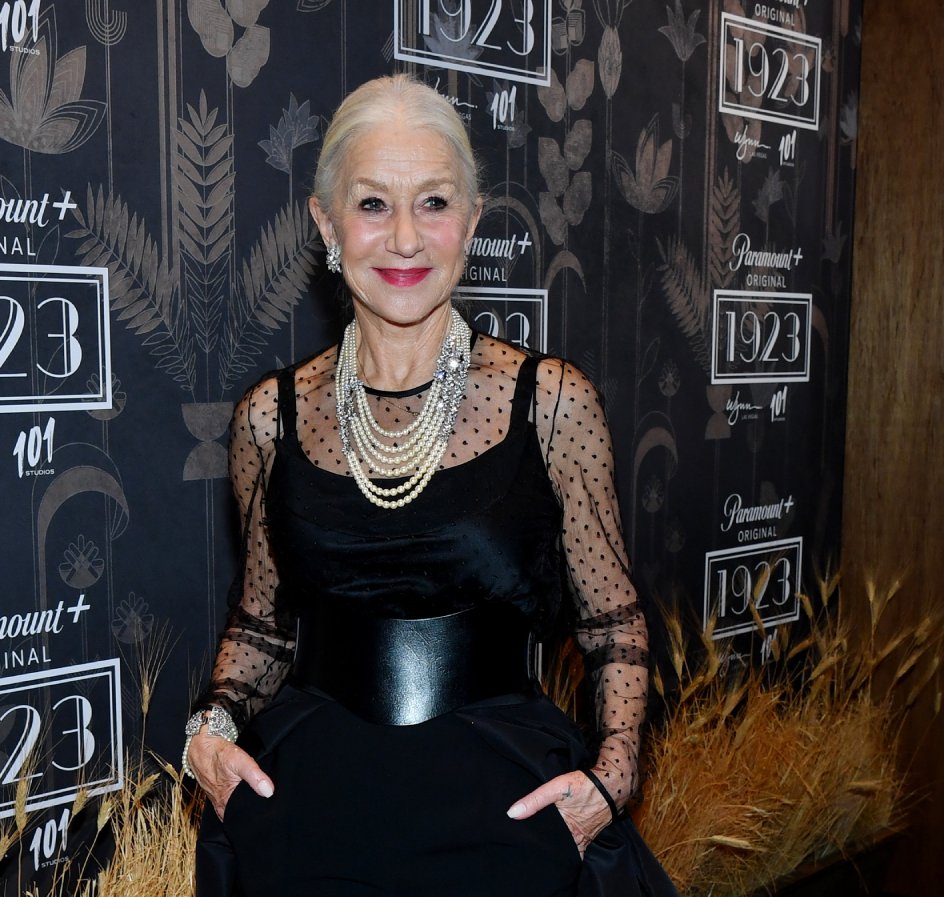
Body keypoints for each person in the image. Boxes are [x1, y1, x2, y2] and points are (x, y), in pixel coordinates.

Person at [186, 74, 674, 897]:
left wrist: (610, 780)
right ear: (326, 223)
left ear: (473, 222)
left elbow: (616, 622)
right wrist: (209, 730)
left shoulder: (550, 403)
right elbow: (263, 626)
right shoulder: (270, 418)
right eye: (373, 204)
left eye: (435, 203)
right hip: (309, 816)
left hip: (506, 816)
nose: (405, 238)